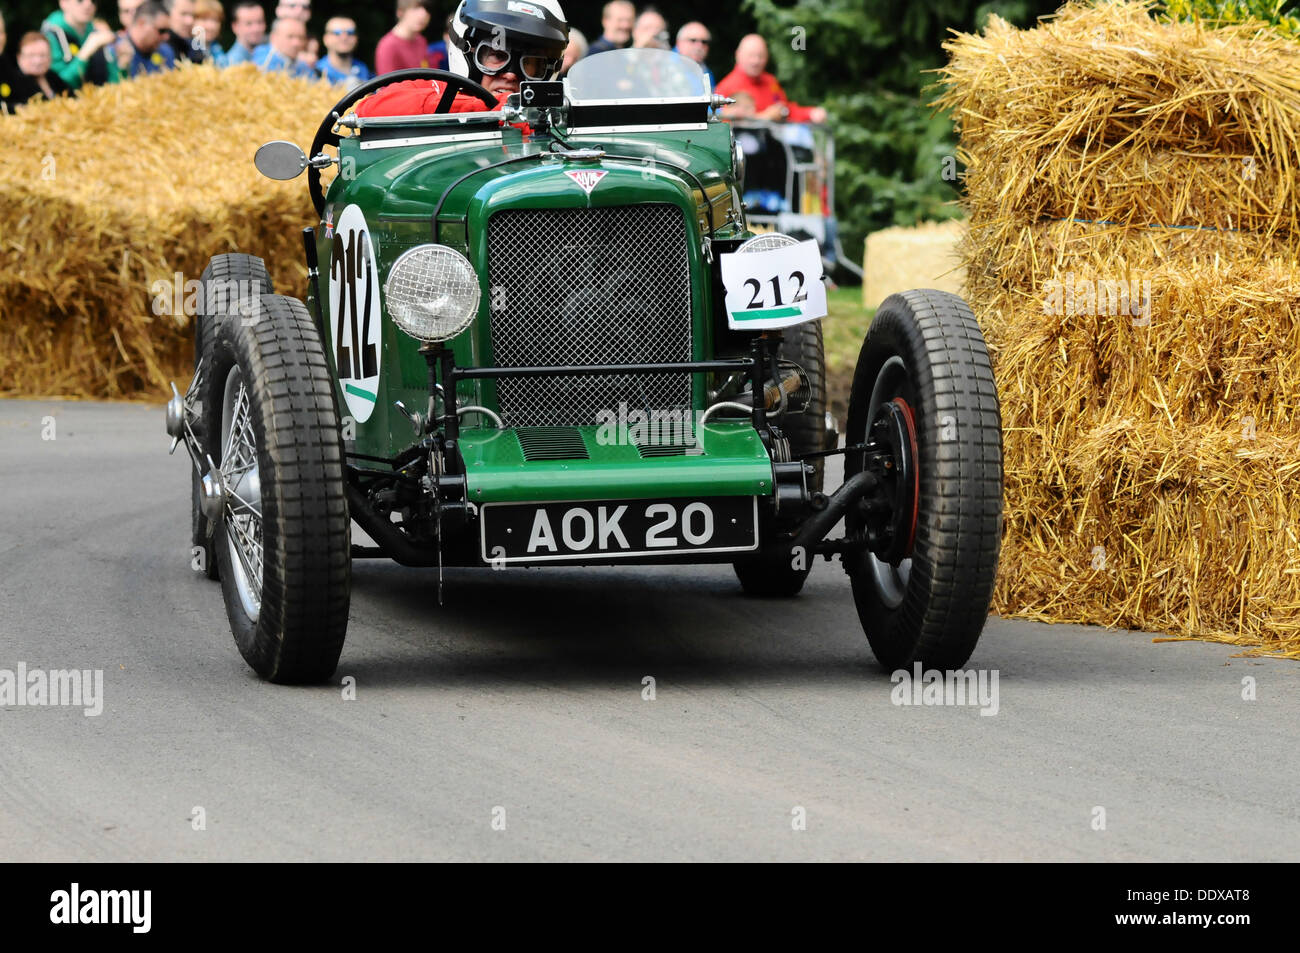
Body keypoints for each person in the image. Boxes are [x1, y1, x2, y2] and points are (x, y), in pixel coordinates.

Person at [359, 0, 567, 117]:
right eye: (496, 56)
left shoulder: (555, 116)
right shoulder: (437, 90)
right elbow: (370, 109)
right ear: (466, 52)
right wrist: (488, 106)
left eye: (531, 63)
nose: (511, 74)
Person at [715, 33, 826, 123]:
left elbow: (785, 109)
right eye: (751, 56)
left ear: (767, 57)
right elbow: (723, 123)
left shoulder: (771, 82)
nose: (756, 61)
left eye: (760, 56)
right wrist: (764, 117)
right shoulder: (725, 88)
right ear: (738, 55)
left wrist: (810, 113)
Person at [42, 0, 122, 88]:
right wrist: (85, 53)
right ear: (64, 3)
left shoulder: (96, 33)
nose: (88, 5)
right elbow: (58, 86)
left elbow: (114, 82)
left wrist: (122, 65)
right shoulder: (50, 37)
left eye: (93, 1)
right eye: (80, 0)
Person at [374, 0, 431, 74]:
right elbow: (387, 84)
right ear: (400, 12)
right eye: (415, 8)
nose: (423, 14)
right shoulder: (388, 45)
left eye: (427, 9)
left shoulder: (421, 41)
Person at [121, 0, 174, 75]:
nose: (166, 37)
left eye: (168, 31)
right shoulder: (114, 52)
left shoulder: (165, 53)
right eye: (161, 31)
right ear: (141, 23)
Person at [317, 16, 370, 86]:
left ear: (356, 38)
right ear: (325, 39)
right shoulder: (316, 72)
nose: (344, 37)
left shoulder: (363, 69)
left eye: (350, 33)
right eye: (337, 33)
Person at [223, 0, 264, 65]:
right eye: (249, 24)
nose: (256, 29)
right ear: (235, 27)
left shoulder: (266, 55)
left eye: (260, 22)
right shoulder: (231, 63)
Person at [674, 21, 711, 87]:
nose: (699, 46)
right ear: (678, 42)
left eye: (704, 42)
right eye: (693, 40)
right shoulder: (665, 66)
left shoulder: (705, 70)